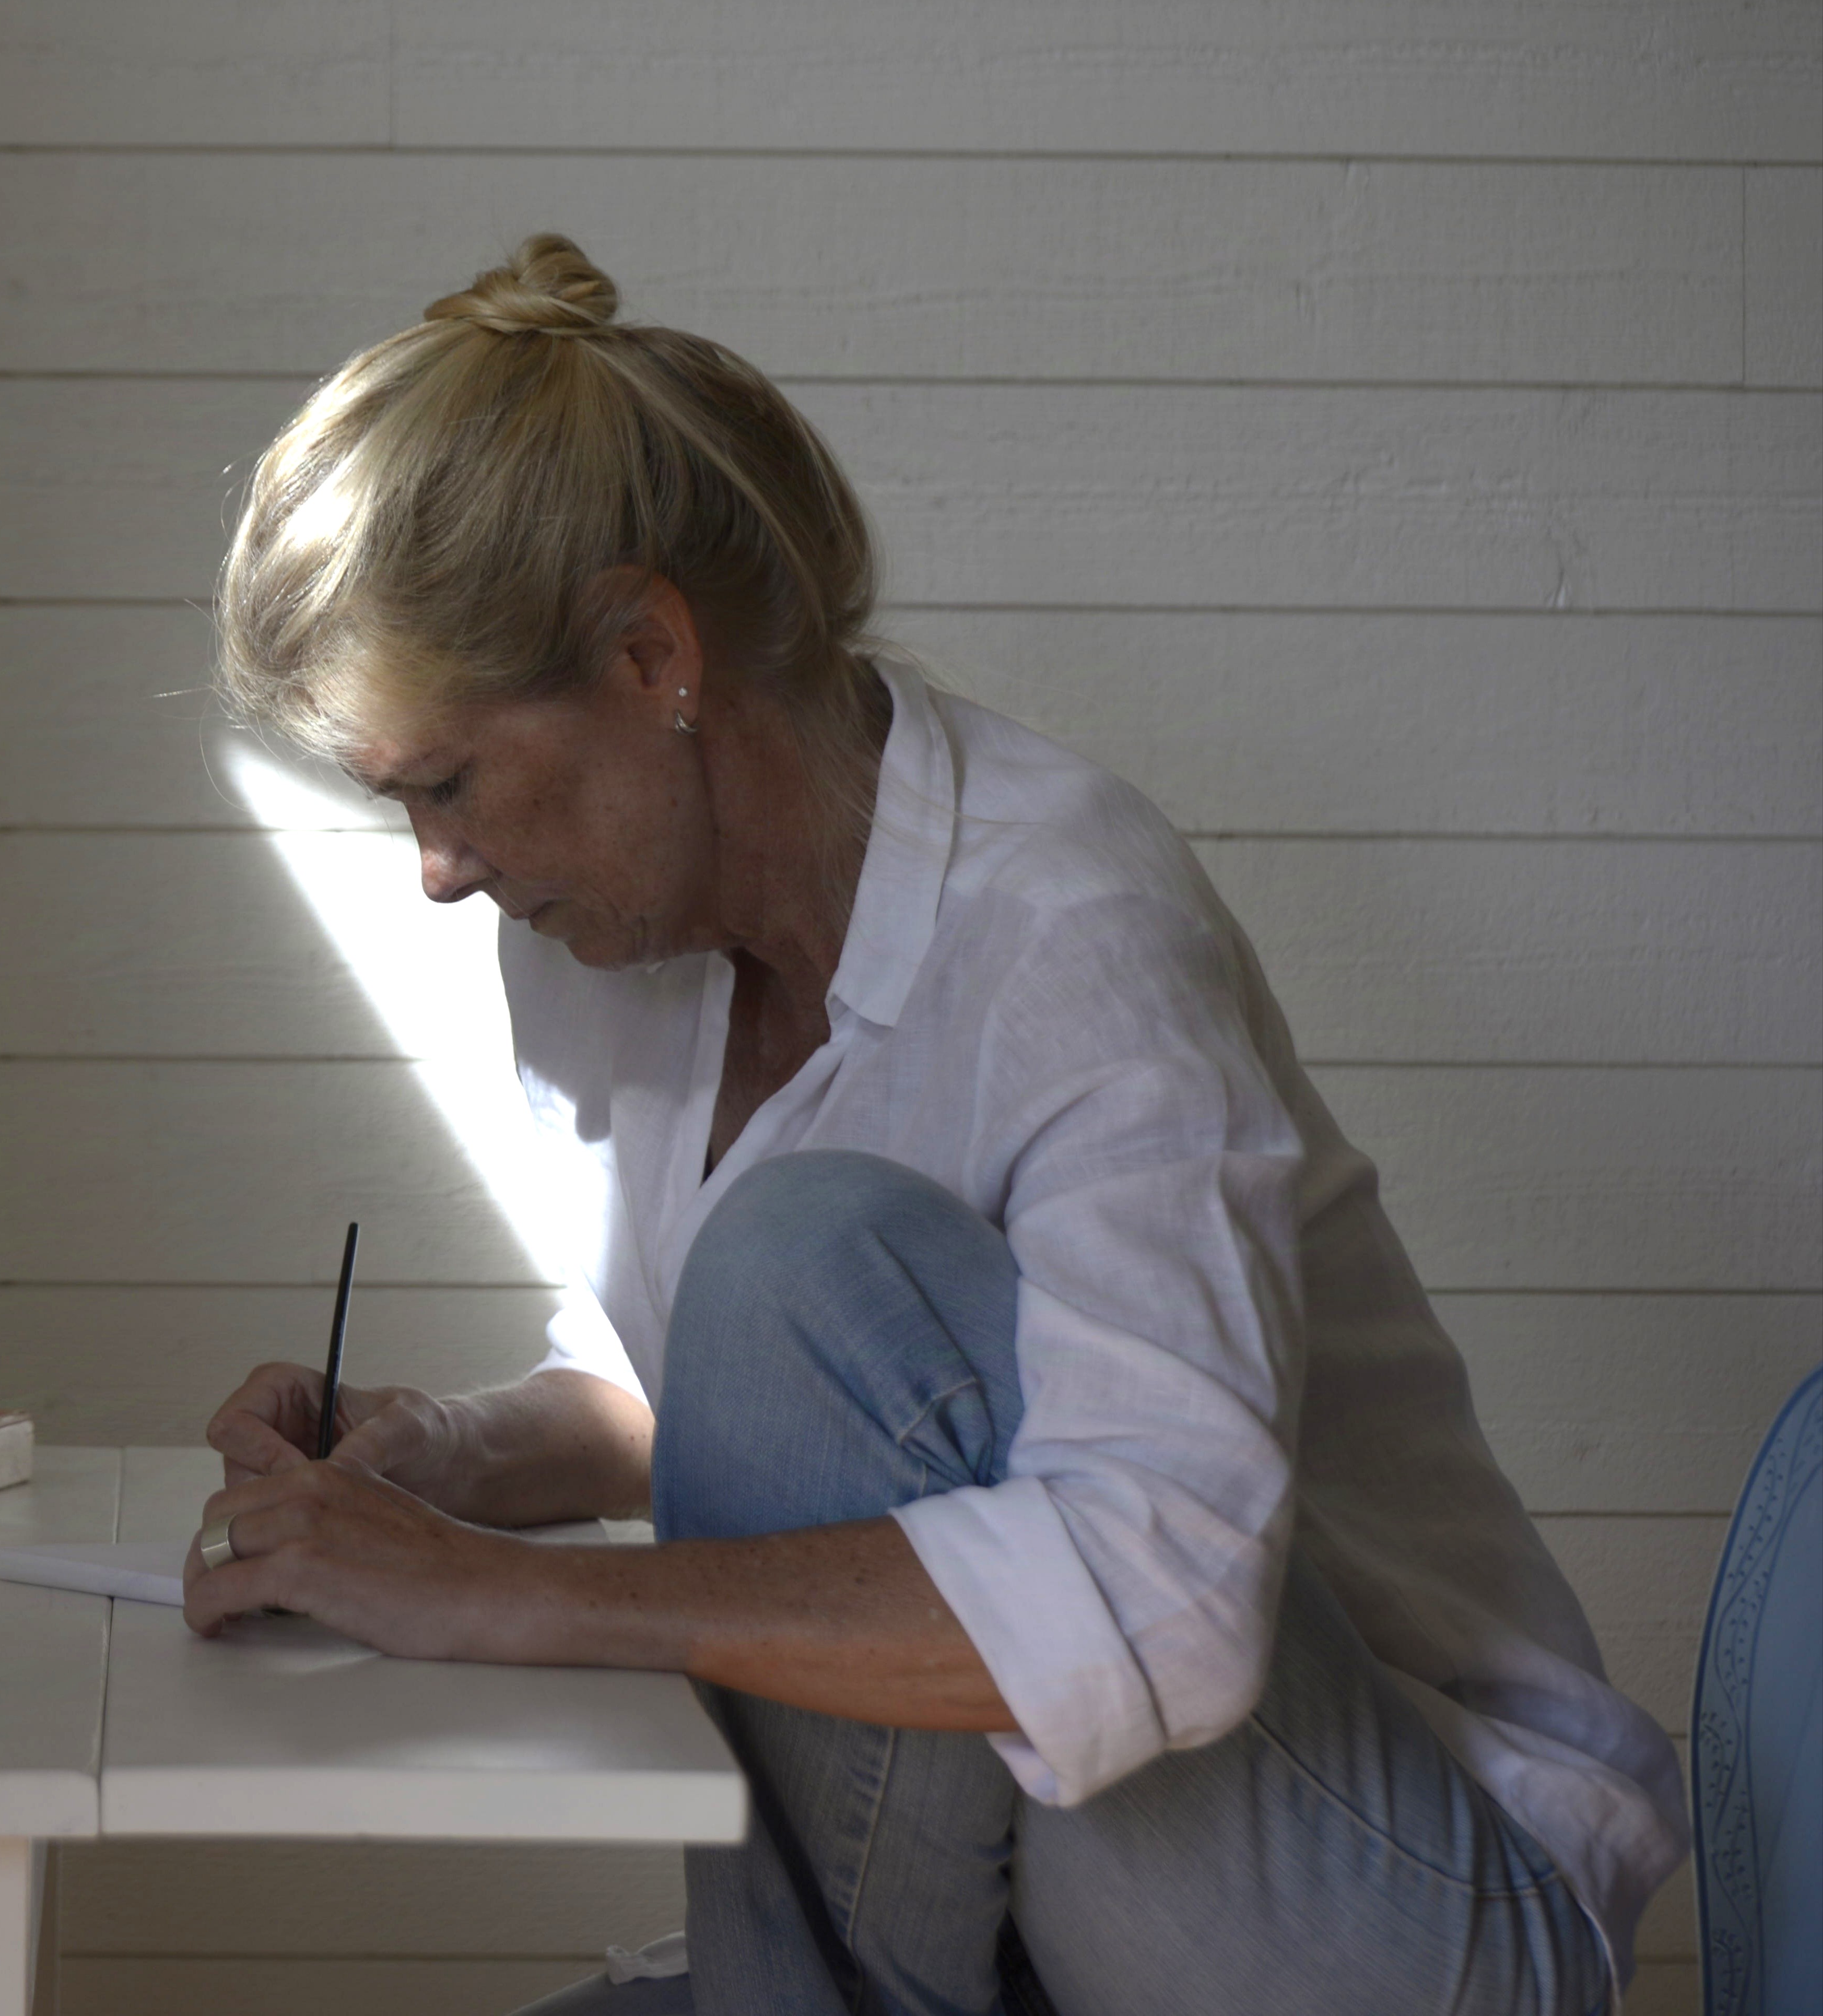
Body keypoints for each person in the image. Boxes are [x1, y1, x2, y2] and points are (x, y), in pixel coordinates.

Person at [186, 234, 1688, 2016]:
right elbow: (714, 1408)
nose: (436, 872)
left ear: (651, 656)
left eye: (445, 785)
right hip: (1043, 1911)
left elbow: (1167, 1605)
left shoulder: (1067, 925)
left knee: (808, 1249)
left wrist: (512, 1602)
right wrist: (434, 1460)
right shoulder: (605, 944)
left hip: (1402, 1907)